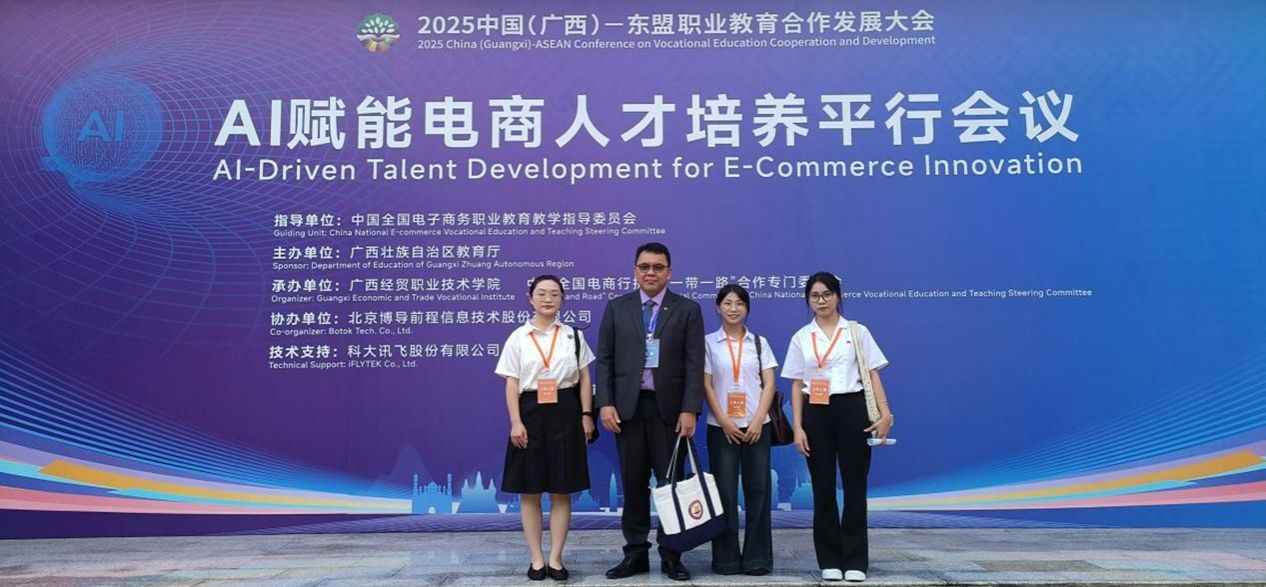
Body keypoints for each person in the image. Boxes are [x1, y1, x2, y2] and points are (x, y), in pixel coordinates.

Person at [596, 242, 705, 581]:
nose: (651, 272)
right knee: (633, 483)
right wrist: (605, 403)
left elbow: (694, 364)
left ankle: (672, 554)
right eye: (644, 267)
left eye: (658, 267)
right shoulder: (617, 308)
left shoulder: (687, 310)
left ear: (669, 272)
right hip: (627, 411)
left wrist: (690, 409)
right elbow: (605, 360)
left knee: (671, 485)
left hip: (669, 412)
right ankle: (635, 554)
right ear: (635, 271)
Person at [781, 272, 894, 583]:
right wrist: (798, 427)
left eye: (827, 294)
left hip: (852, 408)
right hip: (815, 413)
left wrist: (885, 413)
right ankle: (829, 558)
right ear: (808, 300)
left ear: (838, 296)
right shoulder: (802, 337)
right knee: (822, 486)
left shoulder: (856, 331)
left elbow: (872, 373)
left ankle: (855, 559)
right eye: (815, 296)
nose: (821, 301)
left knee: (855, 484)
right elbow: (796, 384)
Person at [495, 275, 597, 581]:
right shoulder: (518, 337)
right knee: (530, 490)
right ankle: (536, 558)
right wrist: (515, 421)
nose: (548, 299)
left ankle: (556, 558)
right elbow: (511, 383)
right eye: (541, 293)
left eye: (554, 293)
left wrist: (586, 414)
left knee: (561, 489)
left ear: (562, 299)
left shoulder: (573, 336)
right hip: (530, 411)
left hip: (566, 411)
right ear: (530, 299)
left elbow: (585, 378)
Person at [701, 284, 778, 576]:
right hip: (721, 428)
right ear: (718, 307)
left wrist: (758, 420)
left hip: (758, 426)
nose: (734, 309)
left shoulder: (759, 343)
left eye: (740, 303)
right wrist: (724, 421)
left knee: (759, 491)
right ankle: (726, 560)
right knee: (725, 493)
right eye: (728, 303)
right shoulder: (708, 343)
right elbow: (706, 385)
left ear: (747, 308)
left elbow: (769, 383)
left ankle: (758, 558)